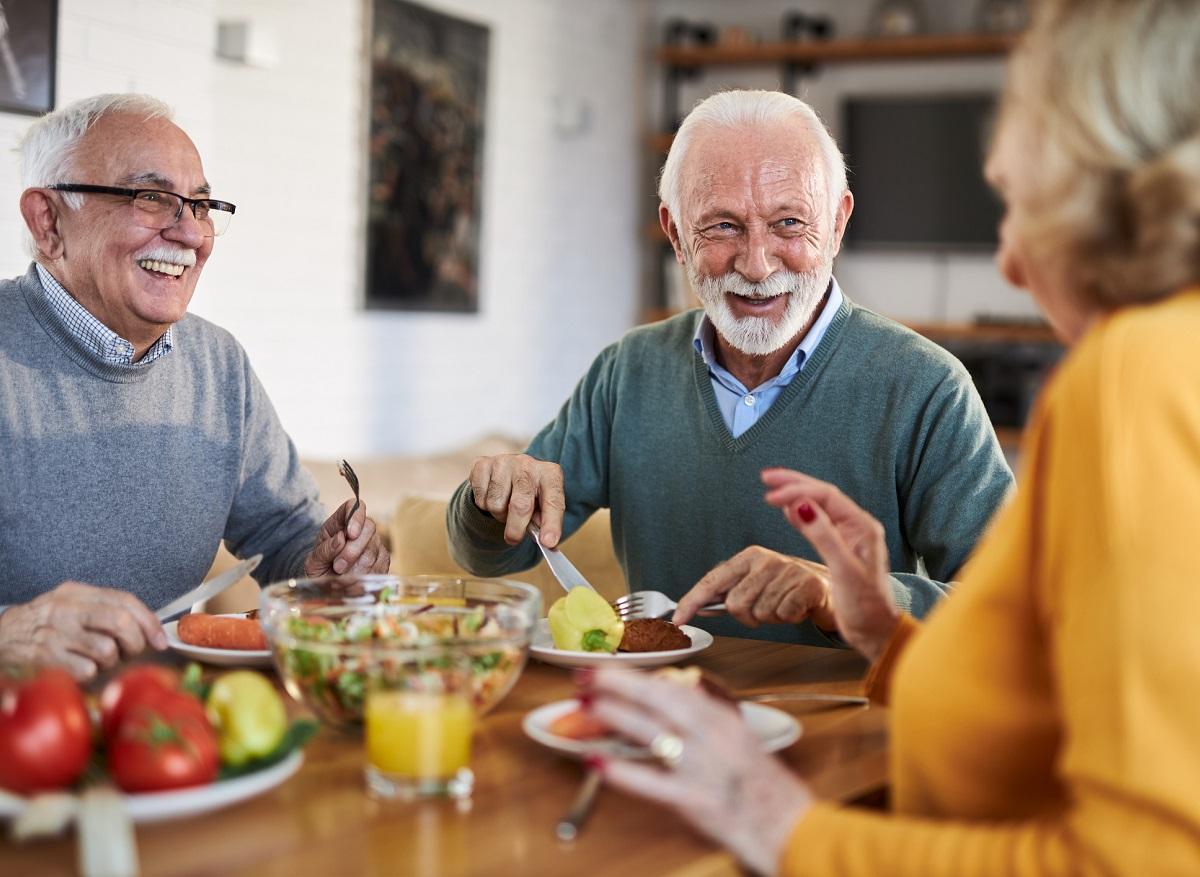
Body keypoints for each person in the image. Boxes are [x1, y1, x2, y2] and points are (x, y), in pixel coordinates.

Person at [584, 0, 1200, 873]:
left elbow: (1144, 861)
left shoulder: (1136, 375)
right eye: (724, 226)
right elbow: (1052, 713)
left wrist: (772, 820)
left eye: (1020, 203)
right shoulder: (1164, 365)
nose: (1012, 263)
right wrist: (883, 630)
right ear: (677, 232)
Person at [446, 89, 1012, 645]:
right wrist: (490, 498)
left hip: (841, 725)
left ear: (837, 224)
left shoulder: (926, 387)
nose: (758, 265)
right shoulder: (627, 372)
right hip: (657, 721)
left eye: (789, 223)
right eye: (722, 226)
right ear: (675, 234)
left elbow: (1011, 606)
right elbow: (496, 551)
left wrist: (845, 594)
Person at [0, 94, 389, 681]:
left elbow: (287, 538)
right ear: (48, 221)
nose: (192, 234)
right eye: (151, 197)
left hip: (165, 721)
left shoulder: (219, 363)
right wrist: (9, 633)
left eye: (202, 205)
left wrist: (329, 565)